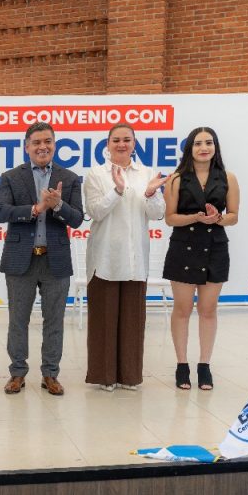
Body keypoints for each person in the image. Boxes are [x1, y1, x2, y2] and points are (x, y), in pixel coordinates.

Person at [0, 121, 84, 396]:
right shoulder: (11, 177)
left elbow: (77, 219)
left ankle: (50, 374)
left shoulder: (69, 178)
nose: (42, 147)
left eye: (47, 141)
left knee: (54, 320)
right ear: (27, 147)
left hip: (55, 260)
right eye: (36, 142)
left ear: (54, 145)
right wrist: (36, 208)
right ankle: (17, 373)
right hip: (20, 259)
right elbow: (2, 212)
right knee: (17, 319)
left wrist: (58, 205)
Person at [83, 124, 169, 391]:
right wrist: (117, 190)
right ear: (107, 144)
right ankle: (105, 376)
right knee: (104, 320)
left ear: (134, 144)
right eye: (116, 140)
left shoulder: (147, 174)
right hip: (105, 257)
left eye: (127, 140)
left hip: (135, 258)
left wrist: (151, 193)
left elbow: (157, 214)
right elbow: (95, 212)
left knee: (133, 320)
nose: (121, 144)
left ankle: (130, 376)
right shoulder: (96, 174)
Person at [162, 127, 239, 391]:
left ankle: (204, 365)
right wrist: (195, 217)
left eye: (208, 143)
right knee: (182, 309)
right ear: (190, 148)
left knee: (208, 309)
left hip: (215, 248)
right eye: (198, 143)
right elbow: (170, 218)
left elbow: (234, 216)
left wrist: (218, 218)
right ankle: (182, 365)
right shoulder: (175, 179)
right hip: (183, 247)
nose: (203, 148)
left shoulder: (228, 178)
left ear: (215, 147)